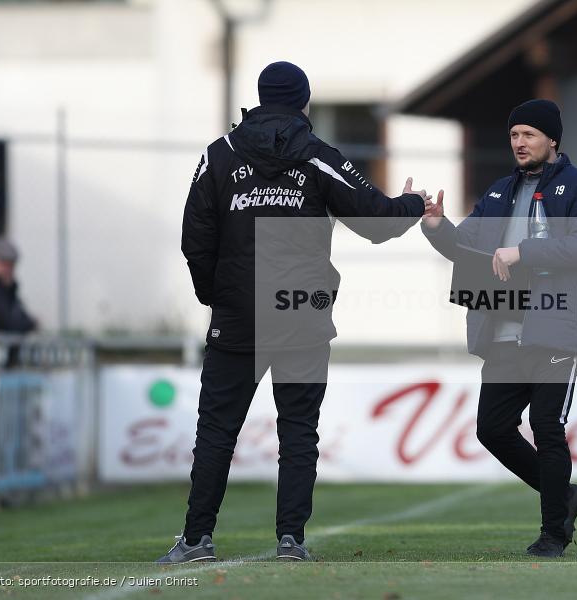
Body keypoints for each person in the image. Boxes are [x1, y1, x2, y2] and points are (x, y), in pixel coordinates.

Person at [156, 61, 428, 564]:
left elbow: (195, 237)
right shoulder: (316, 155)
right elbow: (373, 221)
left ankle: (196, 540)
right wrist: (412, 202)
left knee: (216, 431)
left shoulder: (220, 155)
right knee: (298, 430)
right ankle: (290, 541)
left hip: (238, 313)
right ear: (304, 102)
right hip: (301, 311)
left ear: (259, 99)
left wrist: (213, 295)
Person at [422, 99, 577, 558]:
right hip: (503, 329)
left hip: (557, 327)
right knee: (492, 429)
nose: (519, 143)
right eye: (513, 135)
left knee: (547, 426)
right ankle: (564, 495)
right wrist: (436, 227)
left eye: (528, 134)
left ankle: (552, 534)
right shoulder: (499, 192)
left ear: (552, 140)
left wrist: (523, 252)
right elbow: (464, 247)